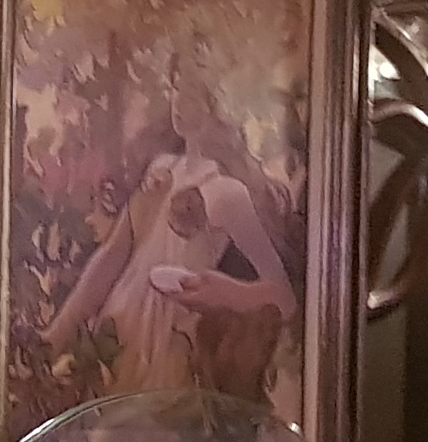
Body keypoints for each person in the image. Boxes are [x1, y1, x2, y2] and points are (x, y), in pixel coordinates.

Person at [42, 101, 298, 408]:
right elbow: (112, 256)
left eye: (192, 92)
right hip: (119, 332)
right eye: (177, 88)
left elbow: (284, 299)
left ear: (215, 104)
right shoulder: (161, 168)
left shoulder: (230, 193)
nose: (181, 101)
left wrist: (227, 293)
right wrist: (57, 335)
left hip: (171, 343)